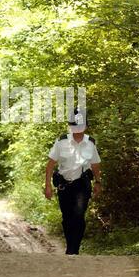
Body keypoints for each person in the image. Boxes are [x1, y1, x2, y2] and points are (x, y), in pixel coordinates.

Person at [45, 109, 101, 255]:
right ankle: (70, 245)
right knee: (67, 217)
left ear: (85, 126)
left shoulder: (90, 143)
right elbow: (50, 164)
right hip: (64, 185)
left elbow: (95, 164)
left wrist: (98, 182)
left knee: (79, 215)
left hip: (82, 185)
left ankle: (73, 249)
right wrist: (48, 186)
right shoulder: (61, 141)